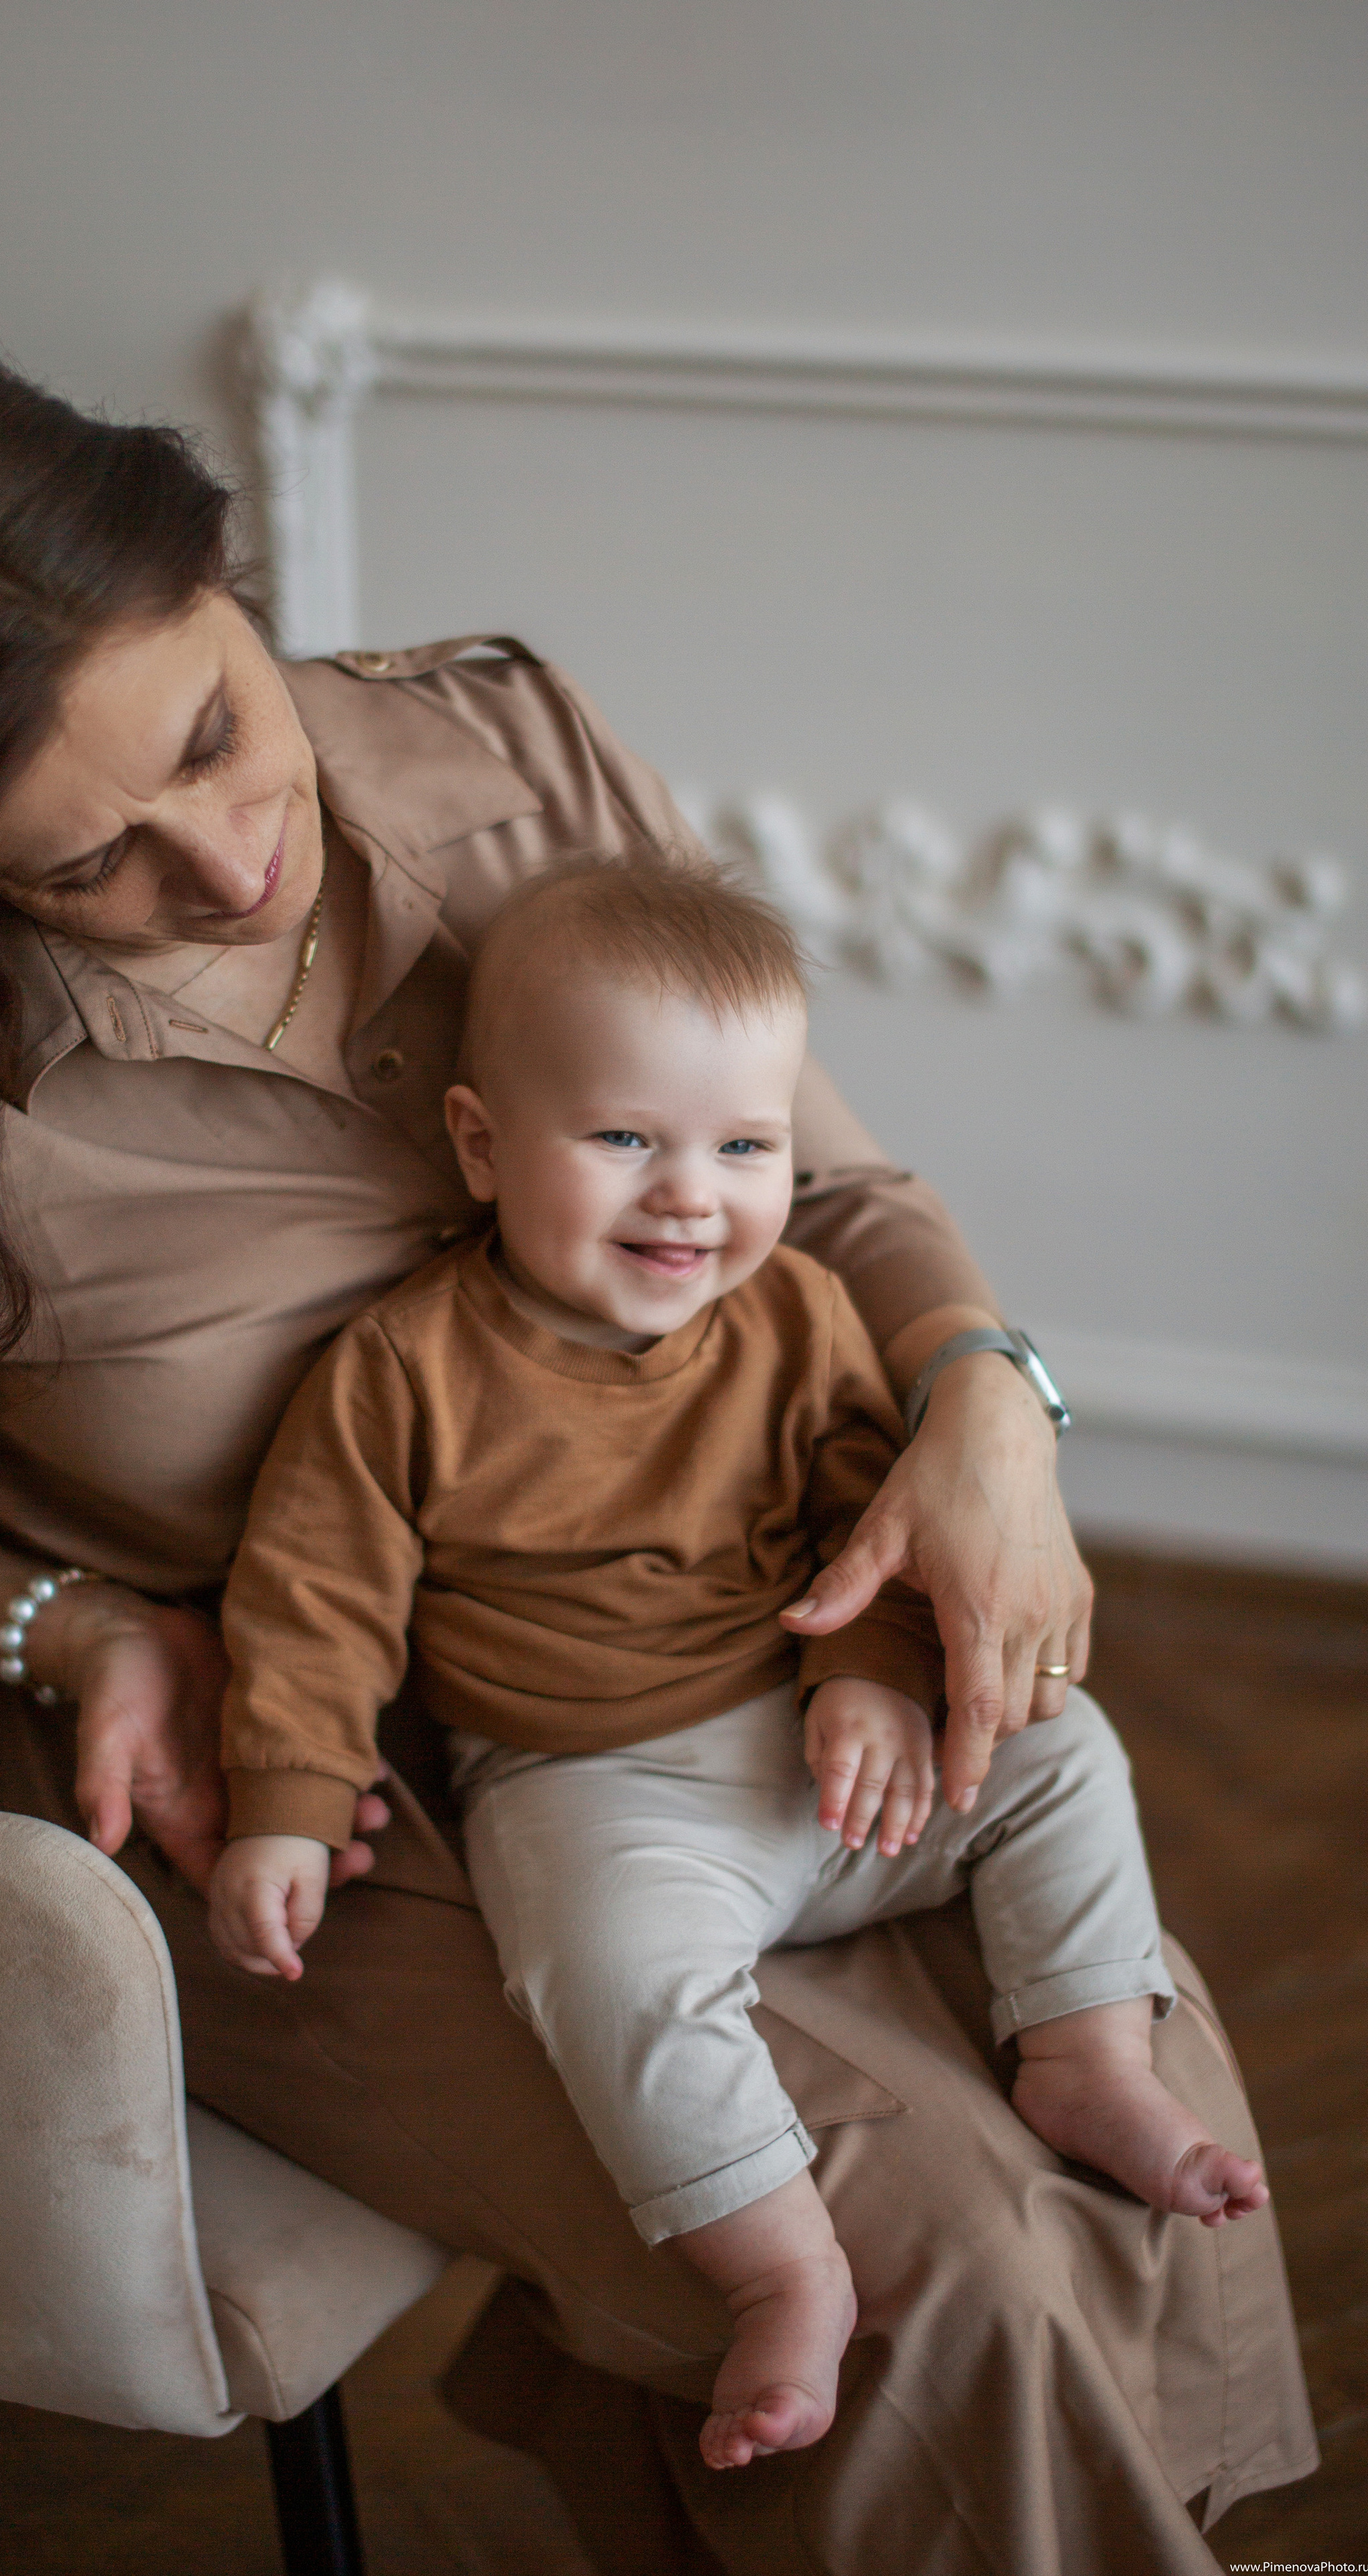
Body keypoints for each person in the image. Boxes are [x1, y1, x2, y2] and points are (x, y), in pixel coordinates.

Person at [0, 343, 1314, 2572]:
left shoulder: (502, 741)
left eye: (219, 733)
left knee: (1119, 2072)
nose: (231, 861)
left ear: (229, 578)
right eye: (82, 870)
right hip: (307, 1794)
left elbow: (810, 1185)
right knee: (940, 2265)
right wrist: (72, 1630)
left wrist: (990, 1399)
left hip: (738, 1634)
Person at [209, 848, 1268, 2471]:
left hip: (828, 1744)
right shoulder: (400, 1372)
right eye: (624, 1138)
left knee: (1065, 1751)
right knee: (607, 1973)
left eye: (744, 1146)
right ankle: (778, 2265)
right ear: (483, 1146)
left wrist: (871, 1669)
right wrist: (288, 1797)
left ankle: (1084, 2055)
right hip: (594, 1783)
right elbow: (314, 1596)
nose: (690, 1194)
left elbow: (876, 1504)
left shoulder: (802, 1319)